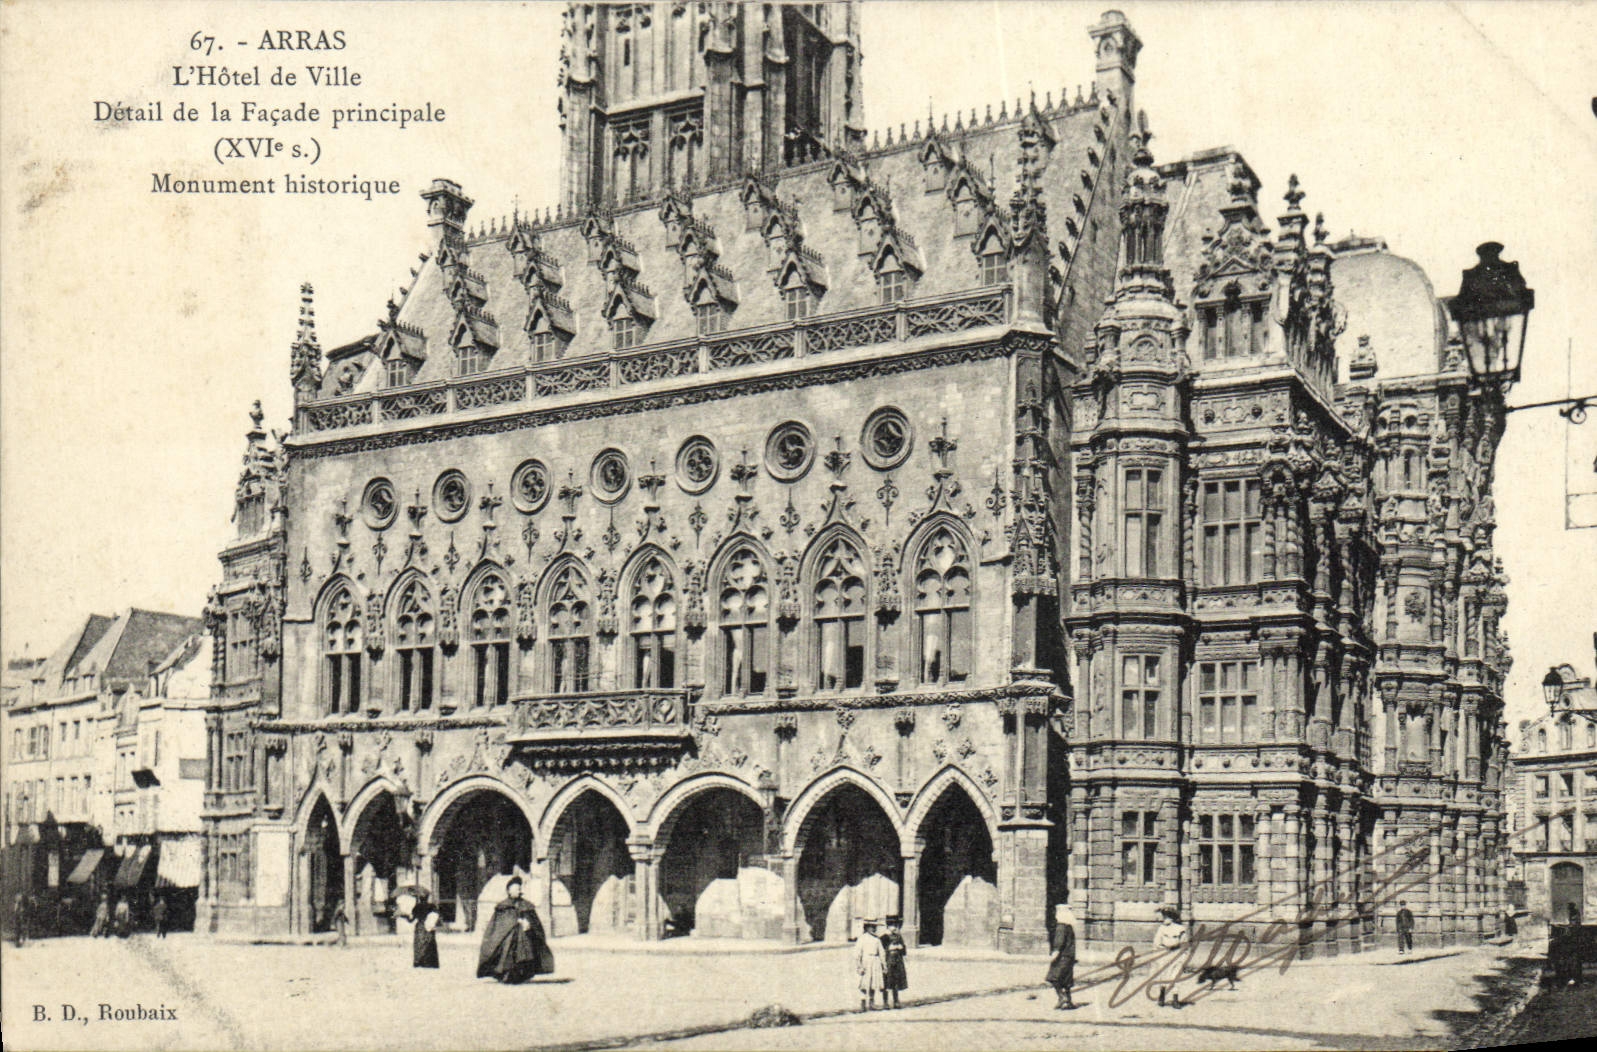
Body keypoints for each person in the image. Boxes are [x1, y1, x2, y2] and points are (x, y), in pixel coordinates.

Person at [476, 877, 555, 983]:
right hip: (508, 938)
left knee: (525, 953)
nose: (518, 891)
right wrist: (515, 922)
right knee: (507, 955)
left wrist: (528, 924)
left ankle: (521, 975)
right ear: (509, 891)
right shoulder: (503, 906)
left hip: (524, 937)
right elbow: (500, 924)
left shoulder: (526, 905)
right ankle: (505, 975)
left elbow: (535, 922)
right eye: (516, 889)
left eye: (519, 888)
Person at [1153, 907, 1188, 1007]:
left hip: (1176, 954)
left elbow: (1184, 944)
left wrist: (1184, 958)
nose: (1164, 919)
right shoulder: (1162, 929)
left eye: (1166, 917)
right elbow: (1156, 943)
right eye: (1164, 916)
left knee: (1175, 976)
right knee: (1163, 976)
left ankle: (1175, 999)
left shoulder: (1180, 929)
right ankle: (1162, 996)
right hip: (1164, 954)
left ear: (1172, 918)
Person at [1047, 903, 1078, 1010]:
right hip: (1070, 957)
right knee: (1067, 980)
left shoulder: (1061, 927)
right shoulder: (1069, 927)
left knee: (1053, 977)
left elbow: (1059, 943)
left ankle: (1062, 997)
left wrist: (1054, 954)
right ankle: (1068, 1001)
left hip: (1062, 957)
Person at [854, 917, 886, 1012]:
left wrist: (884, 965)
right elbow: (857, 953)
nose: (874, 929)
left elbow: (882, 952)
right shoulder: (862, 939)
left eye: (874, 927)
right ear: (866, 928)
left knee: (873, 983)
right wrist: (859, 965)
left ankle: (872, 1003)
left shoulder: (877, 939)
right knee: (864, 983)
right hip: (866, 961)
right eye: (871, 927)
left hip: (875, 961)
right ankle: (863, 1003)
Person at [880, 914, 908, 1009]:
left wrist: (901, 948)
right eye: (893, 925)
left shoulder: (898, 936)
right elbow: (880, 950)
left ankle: (896, 1001)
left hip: (898, 961)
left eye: (896, 926)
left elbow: (904, 951)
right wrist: (889, 948)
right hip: (888, 960)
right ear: (888, 926)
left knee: (896, 981)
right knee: (886, 981)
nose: (895, 928)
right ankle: (885, 1002)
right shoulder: (884, 937)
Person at [412, 895, 440, 970]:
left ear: (420, 898)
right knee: (429, 944)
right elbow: (437, 915)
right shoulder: (431, 906)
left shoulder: (417, 907)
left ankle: (419, 961)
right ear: (427, 898)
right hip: (428, 927)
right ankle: (430, 962)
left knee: (419, 944)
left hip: (420, 927)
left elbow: (411, 919)